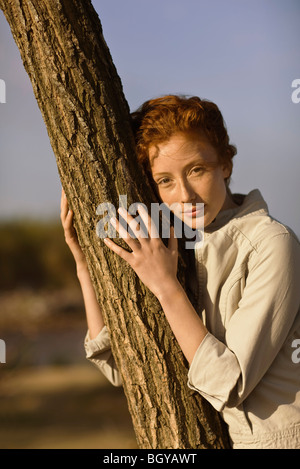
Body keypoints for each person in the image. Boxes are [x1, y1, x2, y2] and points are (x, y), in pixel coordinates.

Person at [60, 95, 300, 449]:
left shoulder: (272, 244)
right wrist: (84, 266)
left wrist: (165, 286)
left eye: (196, 170)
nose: (184, 195)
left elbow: (228, 383)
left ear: (225, 164)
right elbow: (120, 368)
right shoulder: (177, 241)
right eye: (165, 181)